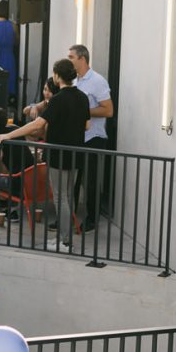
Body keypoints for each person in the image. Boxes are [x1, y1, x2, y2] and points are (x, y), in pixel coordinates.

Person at [0, 58, 90, 252]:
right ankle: (65, 238)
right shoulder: (82, 97)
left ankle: (64, 241)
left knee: (60, 197)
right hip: (77, 153)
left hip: (58, 153)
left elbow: (38, 124)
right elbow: (87, 125)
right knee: (68, 196)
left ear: (57, 76)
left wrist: (9, 134)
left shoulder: (58, 99)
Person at [70, 44, 112, 232]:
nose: (69, 60)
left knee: (91, 181)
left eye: (71, 57)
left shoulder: (97, 81)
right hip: (77, 137)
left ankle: (91, 219)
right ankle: (70, 217)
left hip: (93, 137)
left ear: (82, 59)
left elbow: (108, 110)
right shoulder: (74, 82)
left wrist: (84, 112)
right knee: (73, 180)